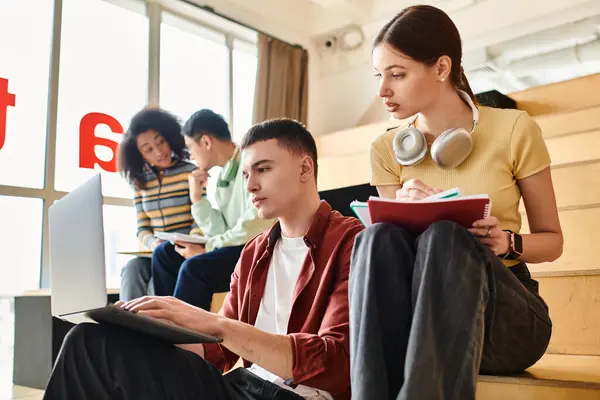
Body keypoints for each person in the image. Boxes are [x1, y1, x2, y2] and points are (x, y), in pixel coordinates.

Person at [43, 118, 363, 400]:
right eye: (247, 173)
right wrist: (143, 334)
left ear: (305, 168)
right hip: (242, 387)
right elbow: (217, 351)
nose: (250, 185)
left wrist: (214, 324)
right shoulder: (254, 252)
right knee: (90, 341)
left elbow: (334, 364)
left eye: (263, 169)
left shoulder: (352, 242)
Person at [349, 5, 563, 400]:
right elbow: (394, 260)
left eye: (397, 74)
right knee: (375, 237)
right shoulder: (385, 149)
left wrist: (508, 242)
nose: (382, 90)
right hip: (422, 319)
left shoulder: (515, 129)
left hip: (507, 319)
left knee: (446, 236)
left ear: (441, 67)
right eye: (380, 76)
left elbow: (553, 242)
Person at [152, 109, 275, 310]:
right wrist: (197, 199)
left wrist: (207, 248)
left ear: (206, 142)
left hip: (257, 247)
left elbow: (252, 227)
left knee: (194, 268)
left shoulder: (252, 164)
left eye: (190, 147)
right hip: (235, 245)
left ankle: (185, 339)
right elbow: (219, 230)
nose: (190, 156)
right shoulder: (221, 176)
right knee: (164, 253)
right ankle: (163, 324)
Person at [117, 107, 204, 301]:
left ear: (169, 138)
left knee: (153, 284)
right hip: (156, 250)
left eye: (161, 142)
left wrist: (191, 243)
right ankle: (125, 327)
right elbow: (142, 228)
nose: (159, 152)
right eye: (148, 149)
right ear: (139, 154)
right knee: (132, 269)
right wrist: (153, 243)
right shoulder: (139, 182)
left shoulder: (190, 172)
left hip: (183, 250)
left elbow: (200, 218)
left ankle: (157, 328)